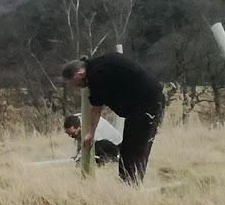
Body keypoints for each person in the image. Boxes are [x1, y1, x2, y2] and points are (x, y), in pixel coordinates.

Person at [61, 53, 165, 184]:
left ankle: (130, 184)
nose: (80, 87)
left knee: (133, 151)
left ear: (80, 73)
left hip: (146, 106)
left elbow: (96, 109)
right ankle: (131, 182)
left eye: (77, 84)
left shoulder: (97, 76)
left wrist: (90, 133)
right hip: (146, 103)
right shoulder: (100, 65)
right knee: (133, 150)